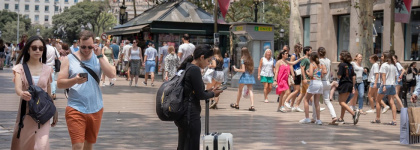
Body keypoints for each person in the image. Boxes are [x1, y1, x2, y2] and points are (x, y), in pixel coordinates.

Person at [57, 30, 116, 150]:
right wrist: (74, 80)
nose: (86, 50)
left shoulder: (99, 57)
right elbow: (59, 83)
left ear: (94, 44)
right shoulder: (69, 59)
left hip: (95, 108)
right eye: (83, 46)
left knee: (88, 145)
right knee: (78, 145)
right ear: (78, 43)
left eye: (89, 46)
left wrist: (100, 56)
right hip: (75, 107)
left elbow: (111, 74)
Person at [11, 35, 58, 149]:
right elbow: (18, 88)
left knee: (41, 145)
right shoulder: (20, 68)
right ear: (28, 49)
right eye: (34, 48)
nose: (38, 50)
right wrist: (22, 93)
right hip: (26, 112)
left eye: (41, 48)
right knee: (25, 145)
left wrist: (54, 111)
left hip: (43, 113)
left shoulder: (47, 69)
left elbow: (48, 93)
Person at [175, 44, 223, 150]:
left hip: (183, 113)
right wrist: (213, 94)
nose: (209, 63)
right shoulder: (194, 70)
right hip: (190, 114)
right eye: (208, 60)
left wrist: (208, 91)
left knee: (183, 145)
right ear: (202, 57)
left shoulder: (188, 67)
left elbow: (195, 91)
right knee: (191, 145)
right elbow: (200, 95)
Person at [371, 52, 398, 125]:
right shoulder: (393, 66)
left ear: (386, 57)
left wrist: (384, 85)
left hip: (386, 84)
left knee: (377, 100)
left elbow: (383, 75)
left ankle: (377, 118)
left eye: (382, 56)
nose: (381, 57)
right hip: (392, 85)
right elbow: (396, 76)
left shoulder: (384, 65)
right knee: (392, 102)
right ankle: (394, 120)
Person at [300, 52, 326, 124]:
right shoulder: (319, 65)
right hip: (320, 83)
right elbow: (321, 75)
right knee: (316, 102)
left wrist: (307, 72)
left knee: (306, 99)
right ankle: (318, 120)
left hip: (314, 83)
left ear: (311, 57)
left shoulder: (312, 64)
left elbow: (311, 75)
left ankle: (307, 118)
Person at [313, 47, 338, 123]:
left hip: (321, 81)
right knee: (327, 101)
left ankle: (314, 118)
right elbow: (330, 72)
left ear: (318, 53)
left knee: (316, 100)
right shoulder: (328, 60)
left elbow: (320, 72)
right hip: (327, 82)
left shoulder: (319, 61)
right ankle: (334, 116)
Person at [336, 50, 360, 125]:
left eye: (340, 55)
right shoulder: (350, 65)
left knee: (341, 102)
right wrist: (353, 86)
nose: (339, 56)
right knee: (344, 102)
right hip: (350, 84)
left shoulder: (342, 65)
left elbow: (339, 76)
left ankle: (354, 113)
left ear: (343, 57)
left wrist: (338, 73)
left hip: (344, 84)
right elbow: (353, 76)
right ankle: (341, 118)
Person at [230, 47, 256, 111]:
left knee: (240, 90)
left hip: (244, 76)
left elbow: (243, 70)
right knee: (250, 90)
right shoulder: (250, 59)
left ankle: (237, 104)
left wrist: (236, 69)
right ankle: (252, 105)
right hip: (250, 75)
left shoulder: (242, 59)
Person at [292, 46, 312, 112]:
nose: (311, 52)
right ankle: (316, 106)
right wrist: (304, 78)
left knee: (302, 93)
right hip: (306, 79)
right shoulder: (305, 59)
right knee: (310, 92)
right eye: (310, 51)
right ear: (307, 52)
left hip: (306, 78)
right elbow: (302, 68)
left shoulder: (308, 59)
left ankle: (296, 106)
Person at [284, 44, 304, 111]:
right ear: (297, 48)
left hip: (298, 73)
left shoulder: (298, 55)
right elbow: (291, 65)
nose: (301, 49)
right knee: (297, 90)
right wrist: (292, 74)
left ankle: (292, 105)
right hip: (295, 73)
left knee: (296, 90)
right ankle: (287, 101)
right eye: (300, 48)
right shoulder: (293, 56)